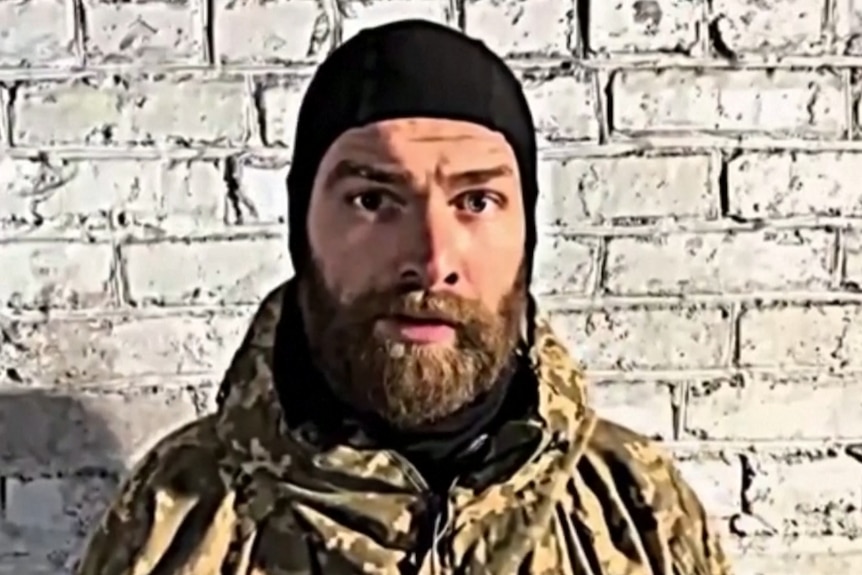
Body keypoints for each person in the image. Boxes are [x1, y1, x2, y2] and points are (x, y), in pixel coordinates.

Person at [76, 19, 731, 575]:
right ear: (301, 226)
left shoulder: (635, 509)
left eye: (476, 200)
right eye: (373, 200)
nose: (432, 259)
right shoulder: (179, 516)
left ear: (528, 231)